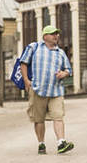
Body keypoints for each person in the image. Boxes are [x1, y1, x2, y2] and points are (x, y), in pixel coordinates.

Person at [20, 25, 74, 155]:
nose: (56, 36)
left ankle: (61, 142)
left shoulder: (60, 52)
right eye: (52, 34)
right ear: (45, 36)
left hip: (55, 90)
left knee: (58, 116)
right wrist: (26, 80)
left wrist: (64, 73)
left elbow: (69, 69)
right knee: (39, 119)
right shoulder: (34, 47)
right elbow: (23, 63)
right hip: (38, 89)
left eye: (57, 34)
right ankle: (41, 144)